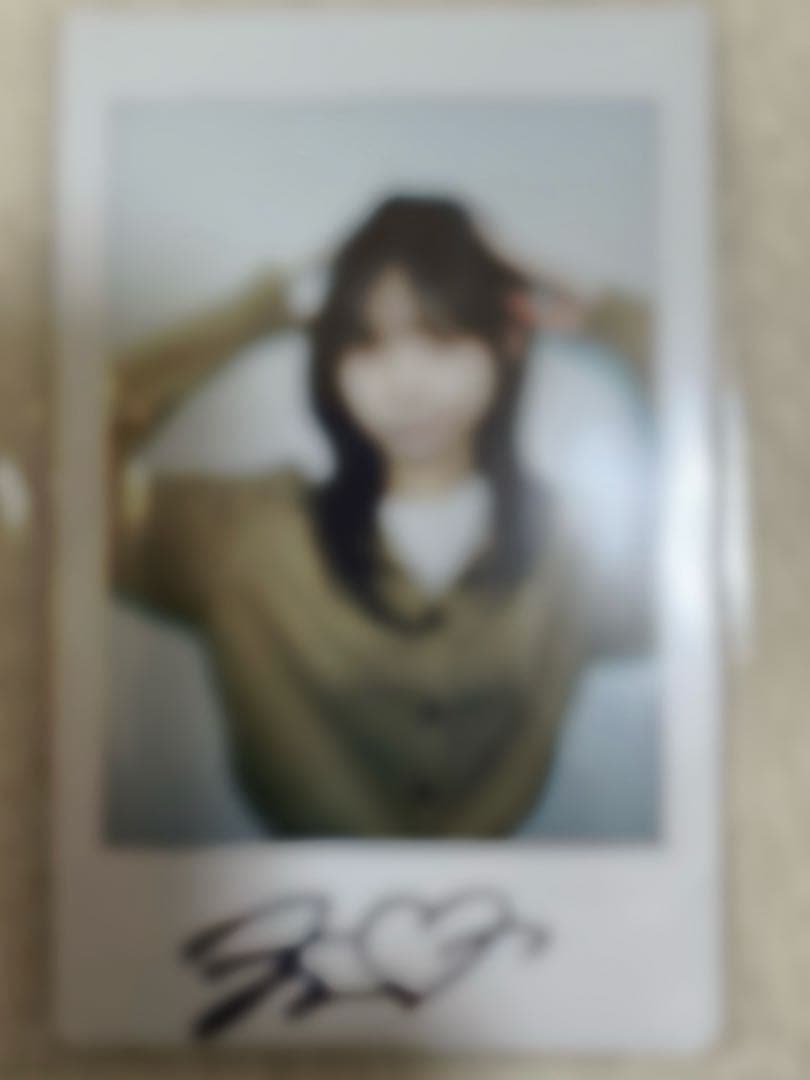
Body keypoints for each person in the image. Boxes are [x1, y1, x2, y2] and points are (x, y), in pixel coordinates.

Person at [108, 193, 650, 838]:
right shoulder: (240, 535)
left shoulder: (571, 544)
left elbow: (741, 498)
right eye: (366, 346)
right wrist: (262, 311)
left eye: (441, 340)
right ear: (330, 358)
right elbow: (56, 459)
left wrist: (609, 319)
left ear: (508, 339)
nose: (405, 383)